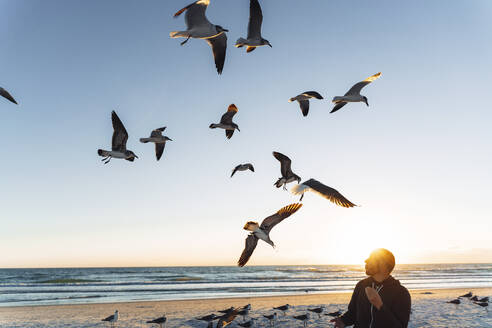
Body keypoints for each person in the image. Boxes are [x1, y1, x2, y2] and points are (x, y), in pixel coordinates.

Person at [331, 248, 411, 328]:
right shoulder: (361, 285)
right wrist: (343, 321)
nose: (366, 261)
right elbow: (353, 313)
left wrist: (380, 306)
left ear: (383, 264)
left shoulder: (401, 293)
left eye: (371, 258)